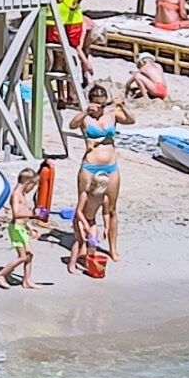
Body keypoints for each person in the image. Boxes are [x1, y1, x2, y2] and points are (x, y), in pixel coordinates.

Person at [69, 83, 131, 261]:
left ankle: (112, 247)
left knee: (111, 208)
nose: (102, 108)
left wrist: (123, 107)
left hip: (111, 166)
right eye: (99, 105)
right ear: (92, 102)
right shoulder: (85, 118)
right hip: (90, 166)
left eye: (105, 104)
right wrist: (86, 111)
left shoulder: (112, 115)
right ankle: (82, 244)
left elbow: (131, 120)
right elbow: (72, 124)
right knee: (85, 207)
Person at [0, 168, 48, 288]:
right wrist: (33, 214)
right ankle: (1, 274)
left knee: (29, 255)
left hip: (22, 228)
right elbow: (16, 213)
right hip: (16, 229)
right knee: (23, 256)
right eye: (32, 187)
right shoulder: (15, 195)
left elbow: (23, 213)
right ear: (27, 183)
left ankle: (27, 281)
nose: (31, 189)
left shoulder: (21, 194)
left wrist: (29, 226)